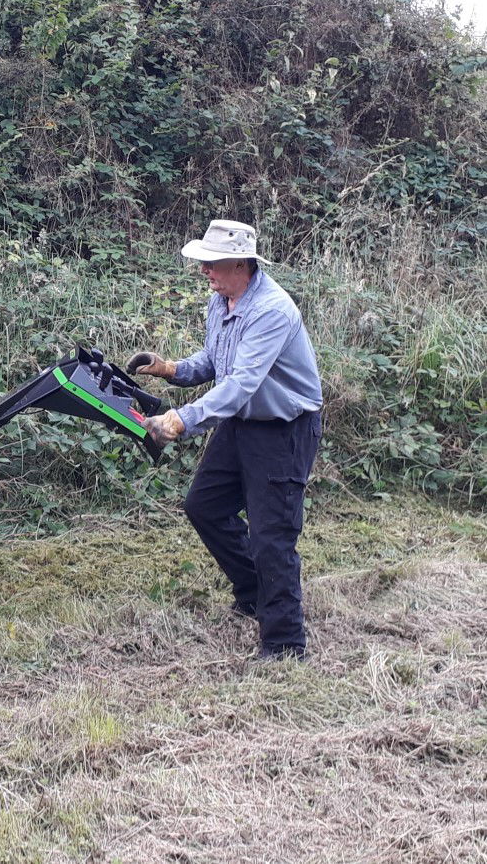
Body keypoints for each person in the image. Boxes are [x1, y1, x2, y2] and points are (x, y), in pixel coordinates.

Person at [128, 220, 323, 660]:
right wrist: (170, 368)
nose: (204, 272)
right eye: (203, 263)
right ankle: (254, 593)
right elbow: (216, 361)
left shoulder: (272, 310)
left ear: (241, 262)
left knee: (272, 535)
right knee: (205, 506)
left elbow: (240, 385)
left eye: (211, 264)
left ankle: (285, 642)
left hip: (283, 430)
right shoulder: (221, 301)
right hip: (240, 424)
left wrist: (180, 420)